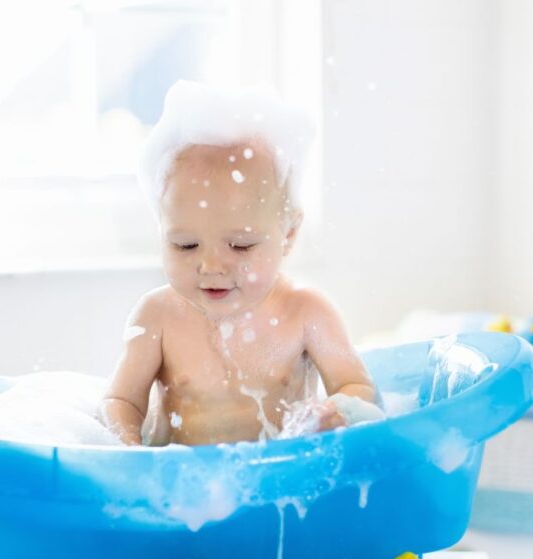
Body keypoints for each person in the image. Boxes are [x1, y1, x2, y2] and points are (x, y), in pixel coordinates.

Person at [101, 81, 383, 446]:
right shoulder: (158, 317)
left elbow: (356, 385)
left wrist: (338, 412)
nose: (212, 265)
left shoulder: (306, 313)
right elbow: (120, 400)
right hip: (180, 489)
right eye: (185, 245)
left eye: (241, 245)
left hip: (281, 489)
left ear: (288, 234)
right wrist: (128, 447)